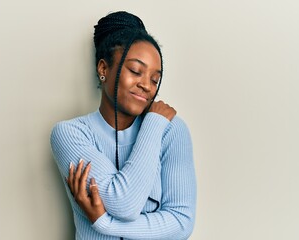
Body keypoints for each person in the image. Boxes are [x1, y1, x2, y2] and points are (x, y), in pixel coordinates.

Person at [50, 11, 196, 240]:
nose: (146, 85)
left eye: (155, 79)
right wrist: (152, 126)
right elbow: (123, 203)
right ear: (103, 69)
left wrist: (105, 224)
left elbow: (181, 222)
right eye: (136, 71)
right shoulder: (71, 134)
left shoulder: (170, 130)